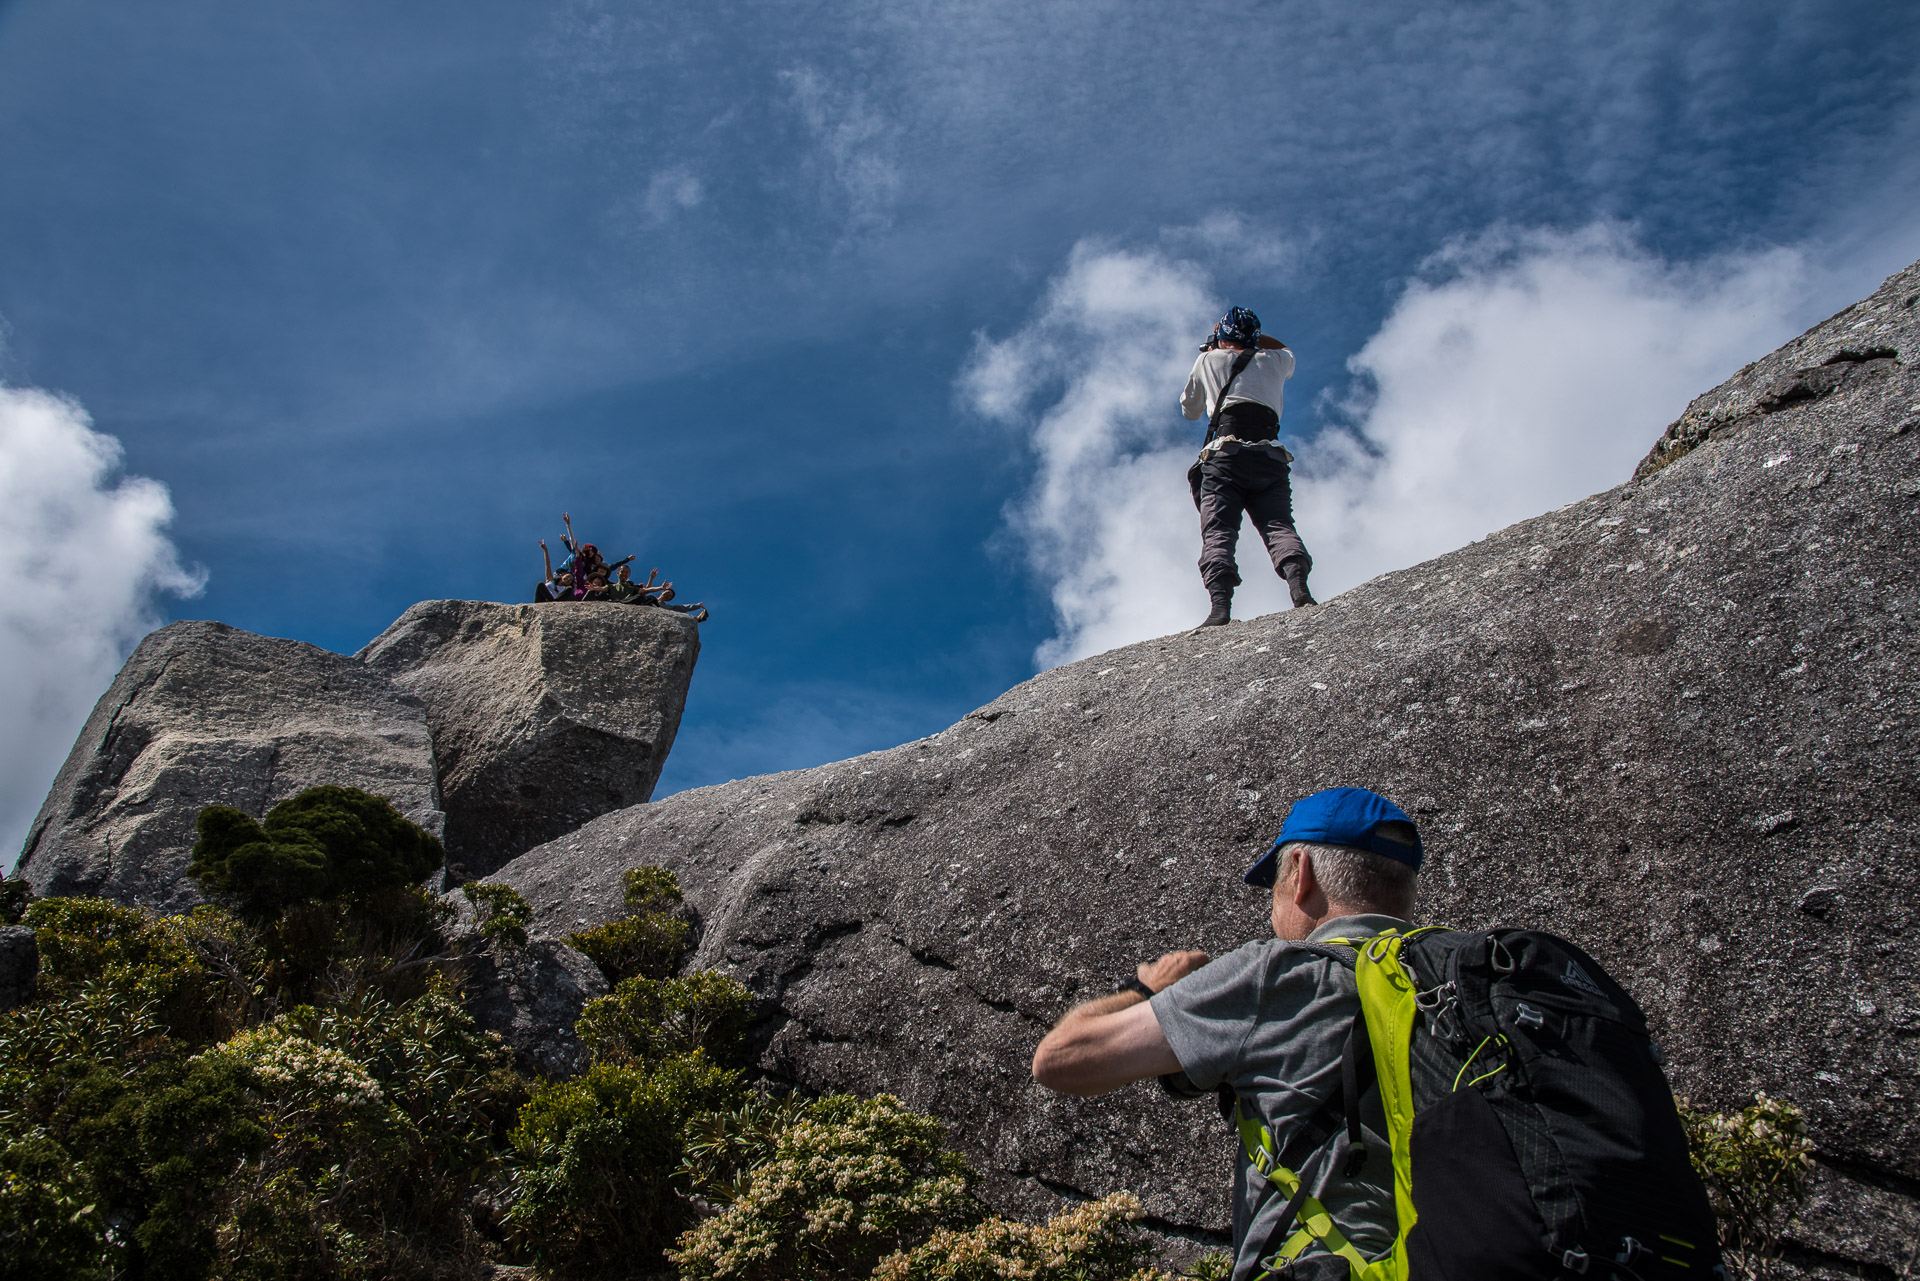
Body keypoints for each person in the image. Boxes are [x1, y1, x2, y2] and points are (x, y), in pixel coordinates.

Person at [1031, 787, 1420, 1280]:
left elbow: (1059, 1060)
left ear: (1300, 873)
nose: (1273, 909)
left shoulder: (1276, 975)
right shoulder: (1465, 983)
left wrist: (1145, 987)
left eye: (1274, 884)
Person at [1182, 306, 1316, 628]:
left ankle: (1219, 610)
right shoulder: (1275, 361)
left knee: (1219, 531)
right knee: (1279, 524)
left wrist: (1216, 346)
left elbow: (1190, 409)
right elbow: (1284, 348)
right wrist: (1251, 339)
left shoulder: (1207, 361)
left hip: (1224, 458)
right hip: (1269, 456)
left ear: (1221, 336)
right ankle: (1300, 591)